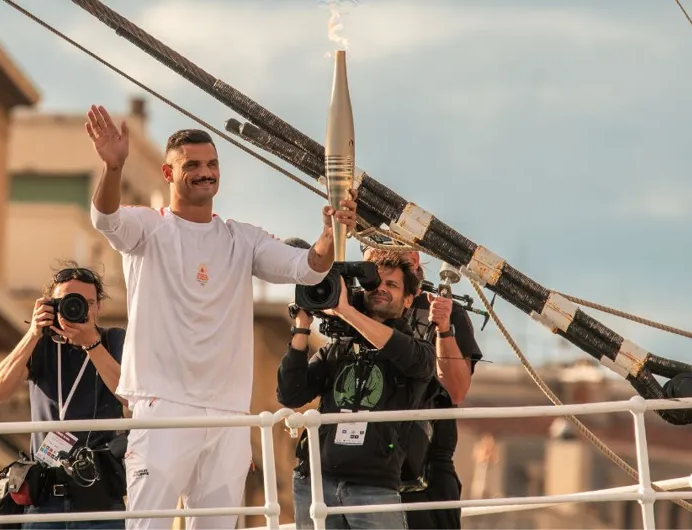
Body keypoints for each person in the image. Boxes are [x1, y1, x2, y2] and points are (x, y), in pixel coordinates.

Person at [85, 104, 357, 530]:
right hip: (162, 407)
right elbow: (105, 218)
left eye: (211, 164)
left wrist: (328, 234)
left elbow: (307, 267)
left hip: (228, 414)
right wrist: (113, 167)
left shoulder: (241, 239)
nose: (204, 172)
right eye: (191, 165)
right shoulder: (148, 229)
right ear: (168, 173)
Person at [278, 252, 434, 529]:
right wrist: (302, 328)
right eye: (375, 283)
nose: (381, 289)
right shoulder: (338, 346)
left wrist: (346, 311)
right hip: (316, 482)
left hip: (374, 486)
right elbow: (291, 395)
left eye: (392, 285)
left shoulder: (418, 352)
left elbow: (399, 349)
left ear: (409, 300)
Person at [0, 263, 128, 529]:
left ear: (98, 307)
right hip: (45, 497)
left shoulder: (113, 341)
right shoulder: (41, 344)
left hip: (99, 495)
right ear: (51, 305)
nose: (78, 310)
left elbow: (131, 397)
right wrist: (33, 333)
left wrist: (91, 345)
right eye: (68, 302)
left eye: (86, 302)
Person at [382, 249, 483, 530]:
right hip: (366, 467)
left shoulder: (447, 310)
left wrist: (444, 329)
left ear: (413, 260)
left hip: (426, 469)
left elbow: (456, 390)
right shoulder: (363, 309)